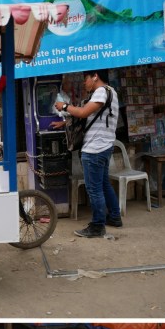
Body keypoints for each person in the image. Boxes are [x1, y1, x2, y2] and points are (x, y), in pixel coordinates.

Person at [55, 69, 121, 237]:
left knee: (94, 189)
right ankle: (114, 216)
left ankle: (97, 226)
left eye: (86, 79)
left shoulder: (100, 92)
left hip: (95, 149)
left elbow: (84, 112)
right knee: (104, 184)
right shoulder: (111, 92)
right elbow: (89, 117)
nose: (84, 83)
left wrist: (64, 106)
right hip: (104, 146)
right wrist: (64, 123)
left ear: (95, 77)